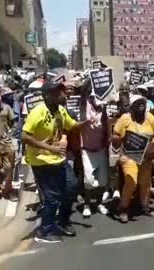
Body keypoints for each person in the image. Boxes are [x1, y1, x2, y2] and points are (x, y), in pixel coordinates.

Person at [22, 82, 92, 243]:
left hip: (58, 159)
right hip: (41, 161)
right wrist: (49, 148)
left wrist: (86, 123)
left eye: (61, 91)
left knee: (71, 188)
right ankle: (45, 231)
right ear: (47, 96)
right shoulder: (37, 112)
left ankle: (63, 220)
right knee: (52, 198)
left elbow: (73, 126)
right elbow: (25, 137)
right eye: (57, 92)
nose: (62, 94)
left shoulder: (61, 110)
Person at [113, 95, 154, 223]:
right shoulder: (125, 119)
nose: (141, 105)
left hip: (146, 157)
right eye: (138, 103)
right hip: (129, 155)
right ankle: (123, 208)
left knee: (145, 183)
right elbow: (115, 139)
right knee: (131, 180)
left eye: (143, 102)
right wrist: (124, 138)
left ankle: (145, 206)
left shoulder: (150, 117)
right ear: (131, 106)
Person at [80, 93, 110, 218]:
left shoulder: (106, 108)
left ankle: (99, 204)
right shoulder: (85, 105)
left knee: (102, 180)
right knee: (89, 180)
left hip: (101, 149)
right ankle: (86, 205)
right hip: (87, 150)